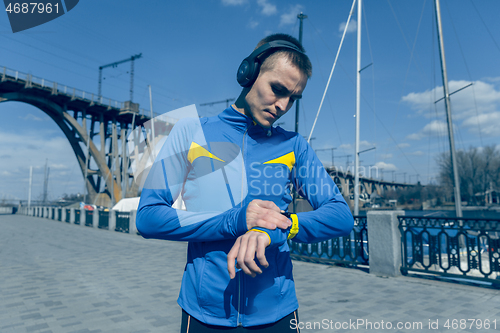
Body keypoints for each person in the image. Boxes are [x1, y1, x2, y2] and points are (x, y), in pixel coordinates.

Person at [136, 33, 354, 332]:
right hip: (204, 314)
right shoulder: (190, 131)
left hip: (277, 314)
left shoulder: (294, 146)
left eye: (293, 98)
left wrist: (276, 228)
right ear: (249, 72)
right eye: (277, 89)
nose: (283, 105)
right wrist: (235, 220)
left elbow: (341, 215)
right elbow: (148, 218)